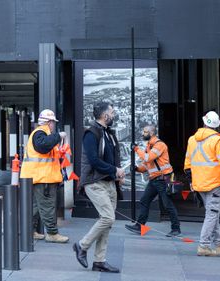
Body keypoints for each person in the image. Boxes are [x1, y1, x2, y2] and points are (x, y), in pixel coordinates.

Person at [73, 101, 124, 273]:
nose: (114, 114)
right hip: (94, 183)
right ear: (104, 115)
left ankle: (99, 261)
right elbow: (94, 160)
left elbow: (113, 157)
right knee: (108, 218)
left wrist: (118, 174)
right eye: (112, 111)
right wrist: (114, 170)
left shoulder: (108, 133)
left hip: (109, 183)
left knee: (107, 222)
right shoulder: (91, 133)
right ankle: (82, 245)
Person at [183, 110, 220, 257]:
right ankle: (204, 245)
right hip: (214, 184)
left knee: (212, 214)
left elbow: (187, 164)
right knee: (212, 214)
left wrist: (190, 181)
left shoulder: (191, 140)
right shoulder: (217, 141)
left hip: (199, 184)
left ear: (204, 122)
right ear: (216, 126)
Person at [20, 109, 69, 243]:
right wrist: (59, 136)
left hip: (37, 176)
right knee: (47, 205)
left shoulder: (41, 134)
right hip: (42, 177)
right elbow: (43, 146)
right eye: (53, 122)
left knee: (35, 206)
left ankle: (29, 230)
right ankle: (52, 233)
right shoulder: (40, 134)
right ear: (49, 122)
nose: (54, 125)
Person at [125, 125, 181, 237]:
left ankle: (176, 229)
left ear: (151, 133)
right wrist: (137, 169)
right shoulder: (149, 146)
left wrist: (136, 149)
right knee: (144, 201)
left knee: (167, 205)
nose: (143, 134)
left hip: (162, 179)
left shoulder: (159, 145)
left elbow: (148, 158)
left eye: (145, 132)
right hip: (155, 179)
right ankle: (140, 226)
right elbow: (146, 165)